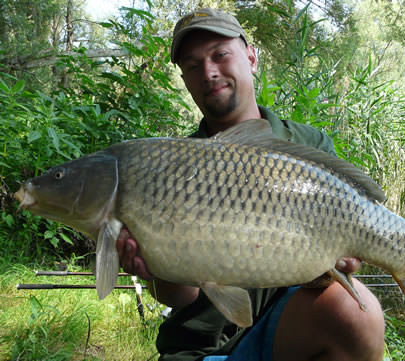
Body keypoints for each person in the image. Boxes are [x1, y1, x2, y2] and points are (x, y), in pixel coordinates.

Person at [117, 8, 385, 361]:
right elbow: (180, 296)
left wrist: (341, 261)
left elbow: (343, 263)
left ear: (251, 56)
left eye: (220, 54)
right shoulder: (171, 168)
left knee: (359, 309)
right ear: (185, 80)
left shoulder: (309, 147)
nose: (209, 72)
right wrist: (150, 266)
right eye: (193, 65)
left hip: (290, 334)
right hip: (198, 349)